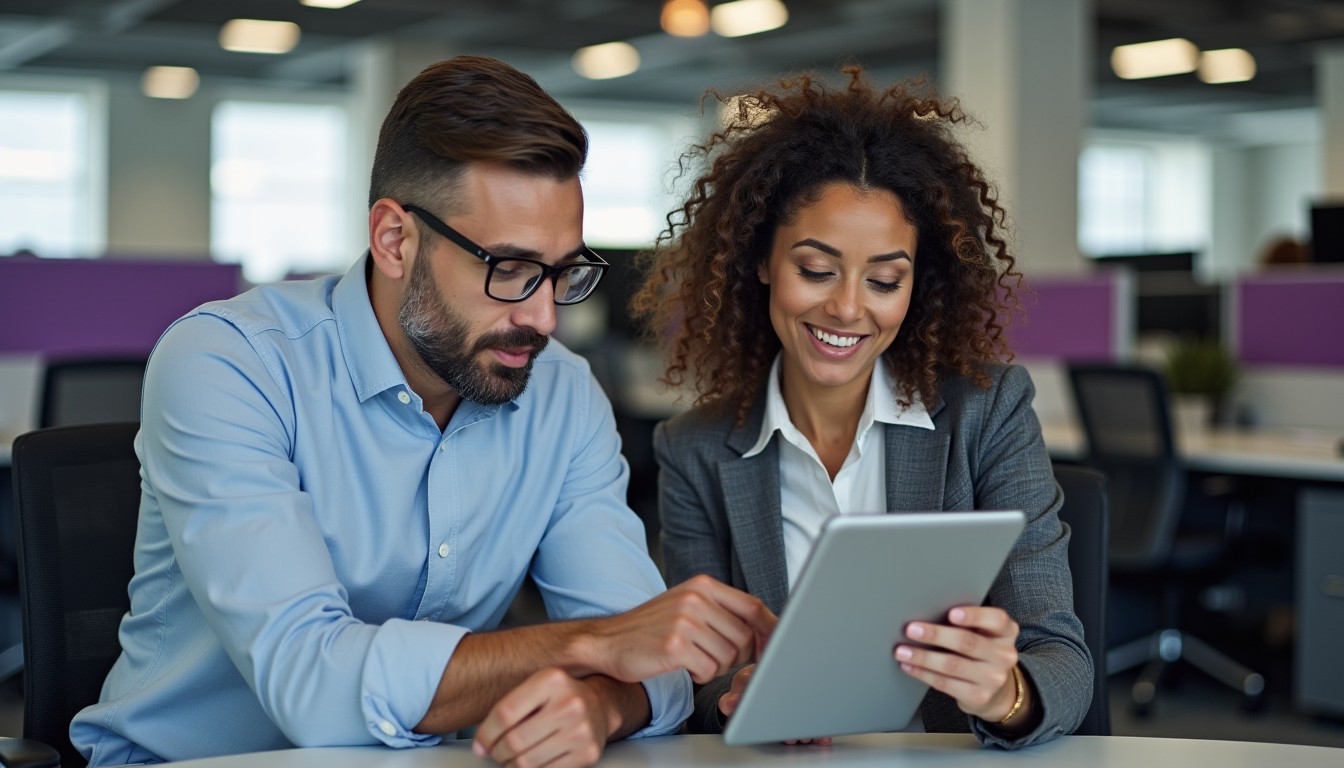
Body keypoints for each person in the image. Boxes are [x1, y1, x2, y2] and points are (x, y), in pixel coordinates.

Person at [72, 56, 774, 768]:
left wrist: (600, 702)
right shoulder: (229, 363)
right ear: (394, 240)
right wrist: (588, 648)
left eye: (562, 273)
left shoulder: (559, 394)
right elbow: (311, 683)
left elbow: (651, 663)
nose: (542, 318)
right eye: (508, 269)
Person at [631, 67, 1092, 748]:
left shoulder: (986, 414)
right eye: (815, 270)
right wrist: (735, 702)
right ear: (761, 261)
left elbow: (1066, 665)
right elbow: (691, 683)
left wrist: (1007, 692)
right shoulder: (694, 449)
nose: (848, 308)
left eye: (884, 280)